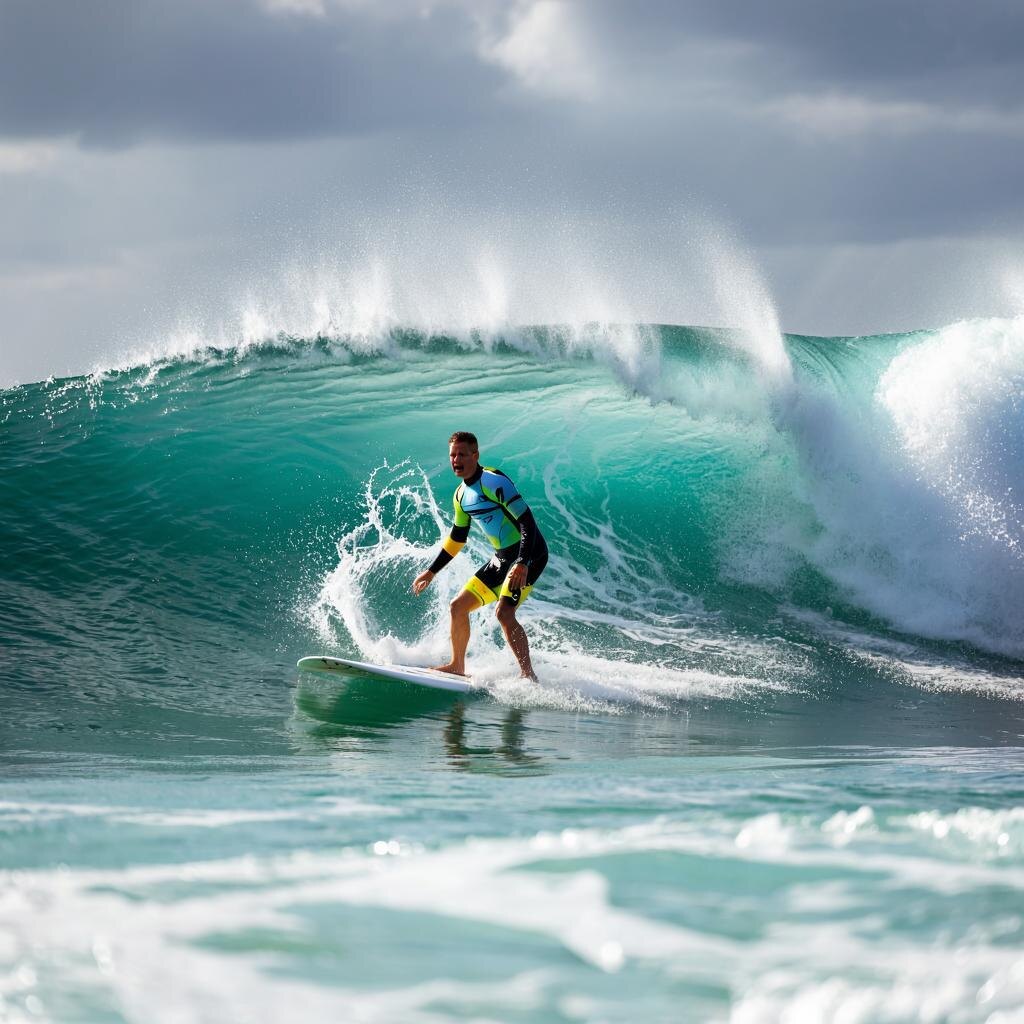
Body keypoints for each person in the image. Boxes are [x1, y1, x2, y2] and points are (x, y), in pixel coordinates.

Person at [412, 431, 548, 680]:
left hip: (530, 554)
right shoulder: (460, 496)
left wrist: (522, 562)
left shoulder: (494, 481)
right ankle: (457, 665)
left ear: (475, 455)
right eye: (452, 455)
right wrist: (431, 571)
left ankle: (528, 676)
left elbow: (527, 520)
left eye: (462, 454)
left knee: (504, 612)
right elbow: (457, 539)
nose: (456, 460)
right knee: (458, 607)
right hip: (502, 557)